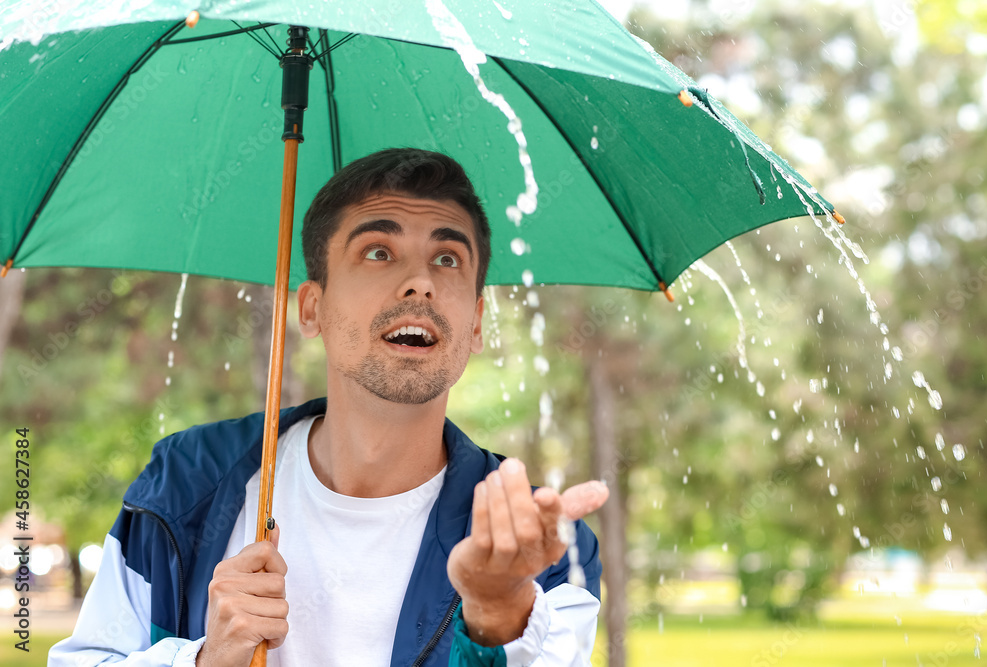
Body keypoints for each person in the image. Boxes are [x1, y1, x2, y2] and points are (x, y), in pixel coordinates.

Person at [49, 148, 608, 666]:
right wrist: (203, 659)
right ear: (311, 308)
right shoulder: (184, 484)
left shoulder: (537, 548)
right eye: (378, 251)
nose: (419, 283)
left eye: (447, 257)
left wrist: (495, 616)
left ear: (478, 322)